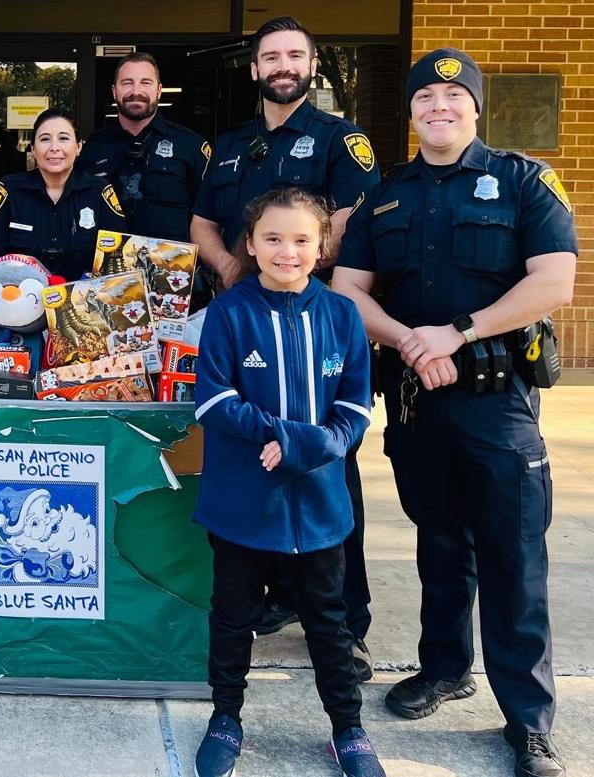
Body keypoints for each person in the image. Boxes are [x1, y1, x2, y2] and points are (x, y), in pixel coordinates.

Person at [333, 48, 575, 777]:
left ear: (474, 106)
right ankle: (444, 668)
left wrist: (458, 332)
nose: (439, 108)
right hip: (417, 399)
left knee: (513, 556)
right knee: (439, 543)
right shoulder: (386, 195)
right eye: (425, 100)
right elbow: (348, 290)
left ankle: (528, 721)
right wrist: (411, 340)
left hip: (497, 402)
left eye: (453, 97)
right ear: (410, 113)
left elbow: (554, 282)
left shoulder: (524, 180)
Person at [192, 15, 381, 662]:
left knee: (328, 464)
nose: (282, 66)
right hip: (246, 317)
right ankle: (279, 594)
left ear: (312, 66)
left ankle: (345, 623)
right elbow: (202, 222)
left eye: (294, 55)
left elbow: (350, 221)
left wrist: (292, 266)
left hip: (312, 320)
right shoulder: (231, 146)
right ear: (255, 69)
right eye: (270, 56)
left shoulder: (340, 139)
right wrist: (231, 268)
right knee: (257, 456)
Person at [192, 187, 382, 777]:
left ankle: (348, 728)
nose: (287, 252)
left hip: (320, 504)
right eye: (272, 238)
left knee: (328, 621)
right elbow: (214, 400)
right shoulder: (229, 311)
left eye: (302, 240)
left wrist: (308, 445)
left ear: (322, 247)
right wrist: (280, 433)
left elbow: (355, 408)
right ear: (250, 244)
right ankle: (225, 716)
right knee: (233, 615)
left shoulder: (341, 314)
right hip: (243, 501)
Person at [0, 108, 127, 281]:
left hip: (83, 297)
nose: (54, 148)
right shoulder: (10, 191)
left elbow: (118, 266)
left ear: (78, 146)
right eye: (45, 139)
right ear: (33, 149)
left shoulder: (99, 191)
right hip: (19, 295)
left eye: (63, 138)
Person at [78, 52, 211, 243]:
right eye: (127, 83)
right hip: (109, 259)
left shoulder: (191, 146)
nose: (136, 91)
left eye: (145, 83)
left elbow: (209, 218)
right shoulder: (93, 148)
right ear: (114, 91)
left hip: (172, 260)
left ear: (159, 90)